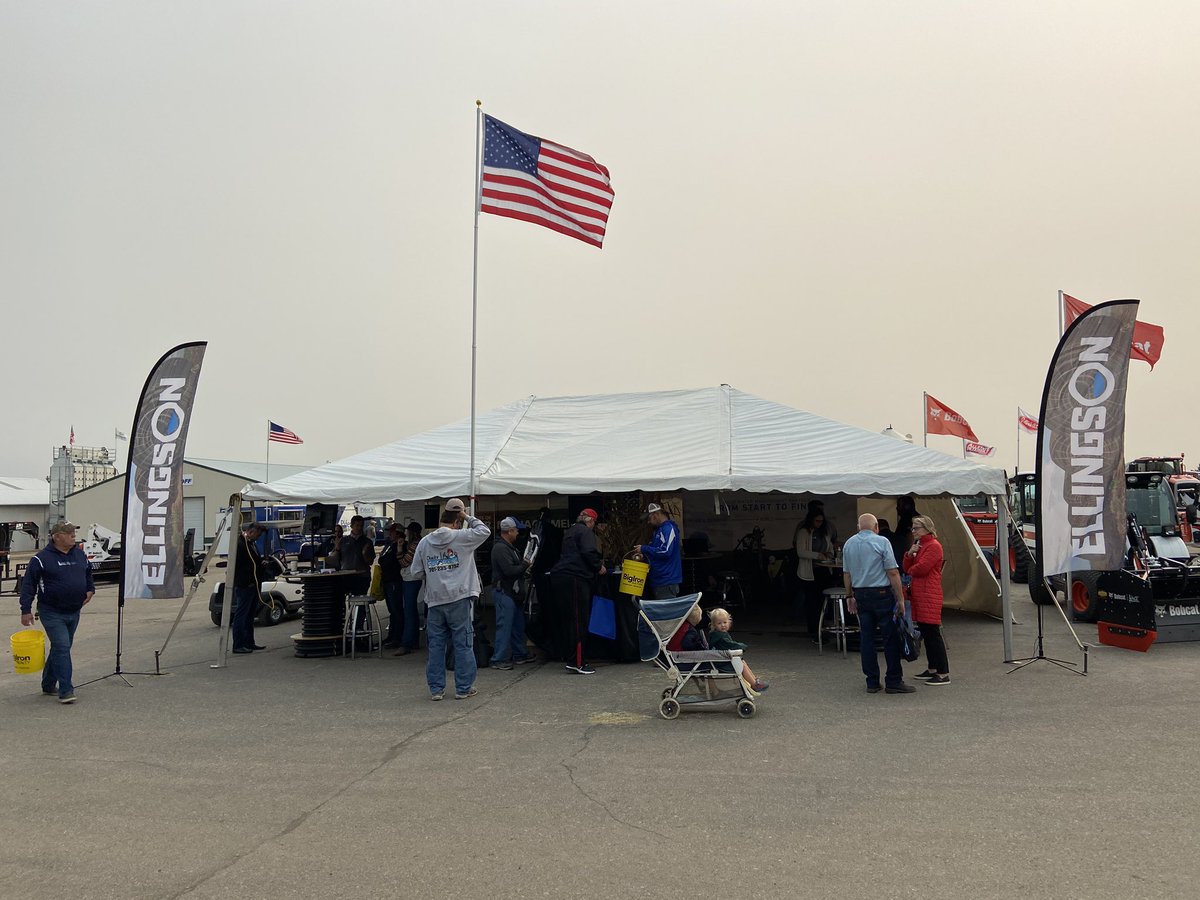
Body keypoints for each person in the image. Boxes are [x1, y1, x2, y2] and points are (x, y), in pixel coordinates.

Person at [410, 498, 490, 700]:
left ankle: (436, 689)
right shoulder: (462, 537)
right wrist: (466, 516)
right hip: (460, 597)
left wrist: (435, 573)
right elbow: (484, 531)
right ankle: (463, 688)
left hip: (435, 600)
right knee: (463, 643)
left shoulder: (425, 542)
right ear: (457, 522)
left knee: (436, 645)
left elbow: (416, 571)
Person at [18, 521, 94, 703]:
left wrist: (90, 589)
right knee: (62, 647)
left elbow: (88, 573)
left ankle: (48, 684)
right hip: (51, 612)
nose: (72, 536)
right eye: (68, 533)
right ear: (56, 536)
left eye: (73, 533)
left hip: (74, 610)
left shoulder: (79, 555)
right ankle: (66, 690)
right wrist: (25, 610)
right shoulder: (41, 559)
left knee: (61, 647)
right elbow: (29, 585)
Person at [842, 513, 915, 694]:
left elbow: (847, 574)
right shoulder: (882, 542)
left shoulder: (849, 544)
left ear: (858, 527)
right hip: (881, 593)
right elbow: (892, 572)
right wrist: (900, 599)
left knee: (866, 638)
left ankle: (872, 681)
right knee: (889, 637)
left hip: (860, 593)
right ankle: (893, 680)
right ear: (876, 527)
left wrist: (849, 595)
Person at [548, 508, 606, 675]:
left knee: (569, 620)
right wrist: (598, 566)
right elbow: (588, 552)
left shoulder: (570, 531)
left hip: (561, 577)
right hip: (575, 577)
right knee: (579, 620)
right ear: (591, 521)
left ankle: (571, 657)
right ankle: (577, 662)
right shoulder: (585, 532)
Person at [903, 515, 950, 685]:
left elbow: (921, 569)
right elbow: (907, 567)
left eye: (916, 528)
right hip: (921, 592)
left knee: (932, 632)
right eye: (913, 528)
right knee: (926, 631)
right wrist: (909, 554)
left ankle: (943, 672)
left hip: (929, 593)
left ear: (926, 529)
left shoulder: (933, 546)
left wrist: (912, 568)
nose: (913, 531)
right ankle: (932, 668)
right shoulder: (920, 546)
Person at [490, 516, 536, 669]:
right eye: (516, 530)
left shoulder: (506, 547)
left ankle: (520, 653)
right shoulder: (501, 548)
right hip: (504, 591)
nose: (518, 533)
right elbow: (509, 571)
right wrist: (524, 565)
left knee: (517, 624)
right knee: (505, 626)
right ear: (509, 531)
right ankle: (499, 659)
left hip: (510, 592)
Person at [793, 508, 835, 638]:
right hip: (809, 571)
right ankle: (813, 629)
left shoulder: (824, 532)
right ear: (811, 520)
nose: (819, 523)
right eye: (817, 521)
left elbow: (830, 548)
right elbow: (800, 552)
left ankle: (822, 626)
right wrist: (818, 555)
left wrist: (829, 554)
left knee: (822, 600)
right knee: (812, 602)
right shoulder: (803, 532)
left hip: (824, 570)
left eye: (821, 521)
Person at [706, 607, 769, 692]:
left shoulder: (716, 634)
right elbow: (730, 645)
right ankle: (754, 684)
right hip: (722, 662)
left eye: (725, 622)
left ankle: (754, 681)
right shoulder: (720, 636)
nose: (723, 625)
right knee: (741, 664)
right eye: (719, 623)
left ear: (729, 622)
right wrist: (742, 646)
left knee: (742, 661)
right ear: (713, 624)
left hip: (720, 659)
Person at [635, 502, 682, 599]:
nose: (648, 522)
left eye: (649, 518)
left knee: (667, 612)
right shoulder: (659, 530)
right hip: (659, 579)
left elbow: (666, 551)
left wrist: (644, 548)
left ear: (656, 514)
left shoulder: (668, 529)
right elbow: (657, 551)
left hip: (666, 579)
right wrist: (645, 555)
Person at [232, 522, 267, 654]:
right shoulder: (240, 544)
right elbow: (238, 565)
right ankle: (238, 644)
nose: (258, 538)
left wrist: (261, 563)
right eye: (257, 535)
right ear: (251, 532)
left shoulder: (252, 543)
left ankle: (249, 642)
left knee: (250, 615)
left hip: (254, 583)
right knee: (242, 614)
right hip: (245, 584)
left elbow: (253, 561)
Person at [394, 522, 423, 656]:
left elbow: (404, 562)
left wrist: (399, 548)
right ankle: (414, 639)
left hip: (410, 579)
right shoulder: (420, 543)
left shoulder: (414, 545)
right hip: (414, 578)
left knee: (409, 611)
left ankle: (406, 643)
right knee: (412, 611)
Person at [378, 523, 405, 649]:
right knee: (392, 610)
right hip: (387, 580)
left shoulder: (400, 546)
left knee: (396, 610)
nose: (390, 533)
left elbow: (389, 561)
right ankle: (391, 635)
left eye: (392, 531)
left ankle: (397, 638)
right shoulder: (389, 545)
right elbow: (381, 559)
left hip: (395, 580)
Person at [338, 515, 376, 594]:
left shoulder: (367, 542)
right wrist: (336, 549)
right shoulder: (343, 541)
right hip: (346, 576)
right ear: (351, 526)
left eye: (361, 526)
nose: (359, 528)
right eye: (357, 525)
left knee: (360, 602)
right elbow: (337, 558)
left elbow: (370, 562)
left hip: (362, 577)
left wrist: (364, 554)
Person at [892, 496, 921, 567]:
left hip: (910, 554)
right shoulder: (904, 519)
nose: (897, 508)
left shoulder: (914, 520)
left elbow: (912, 537)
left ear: (907, 506)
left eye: (899, 505)